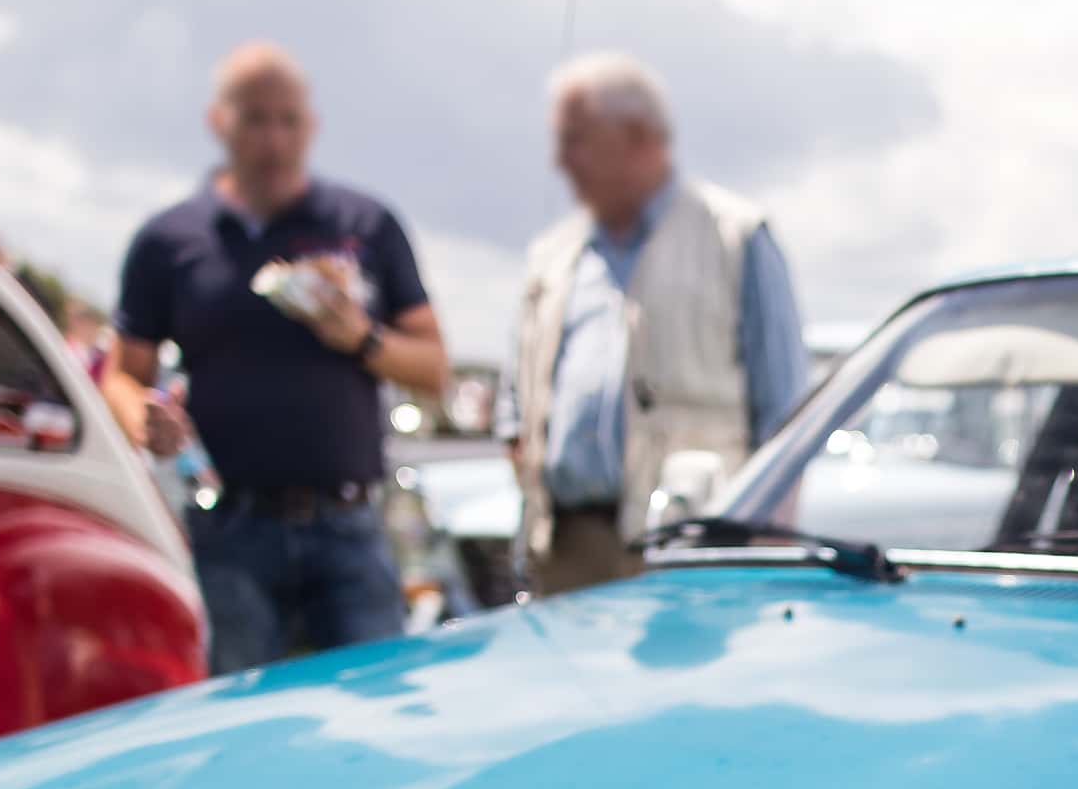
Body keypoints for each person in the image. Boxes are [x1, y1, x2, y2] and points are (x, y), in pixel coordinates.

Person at [108, 43, 446, 670]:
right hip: (231, 528)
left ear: (310, 126)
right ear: (220, 122)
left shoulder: (363, 223)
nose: (273, 139)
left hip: (348, 524)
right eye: (256, 119)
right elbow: (124, 374)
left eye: (288, 120)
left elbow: (433, 367)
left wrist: (363, 339)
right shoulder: (170, 241)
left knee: (378, 715)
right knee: (236, 723)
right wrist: (145, 418)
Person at [509, 52, 812, 594]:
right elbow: (519, 403)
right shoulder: (553, 257)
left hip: (691, 544)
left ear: (639, 137)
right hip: (569, 547)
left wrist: (769, 543)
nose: (562, 160)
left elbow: (786, 417)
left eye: (578, 139)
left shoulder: (734, 236)